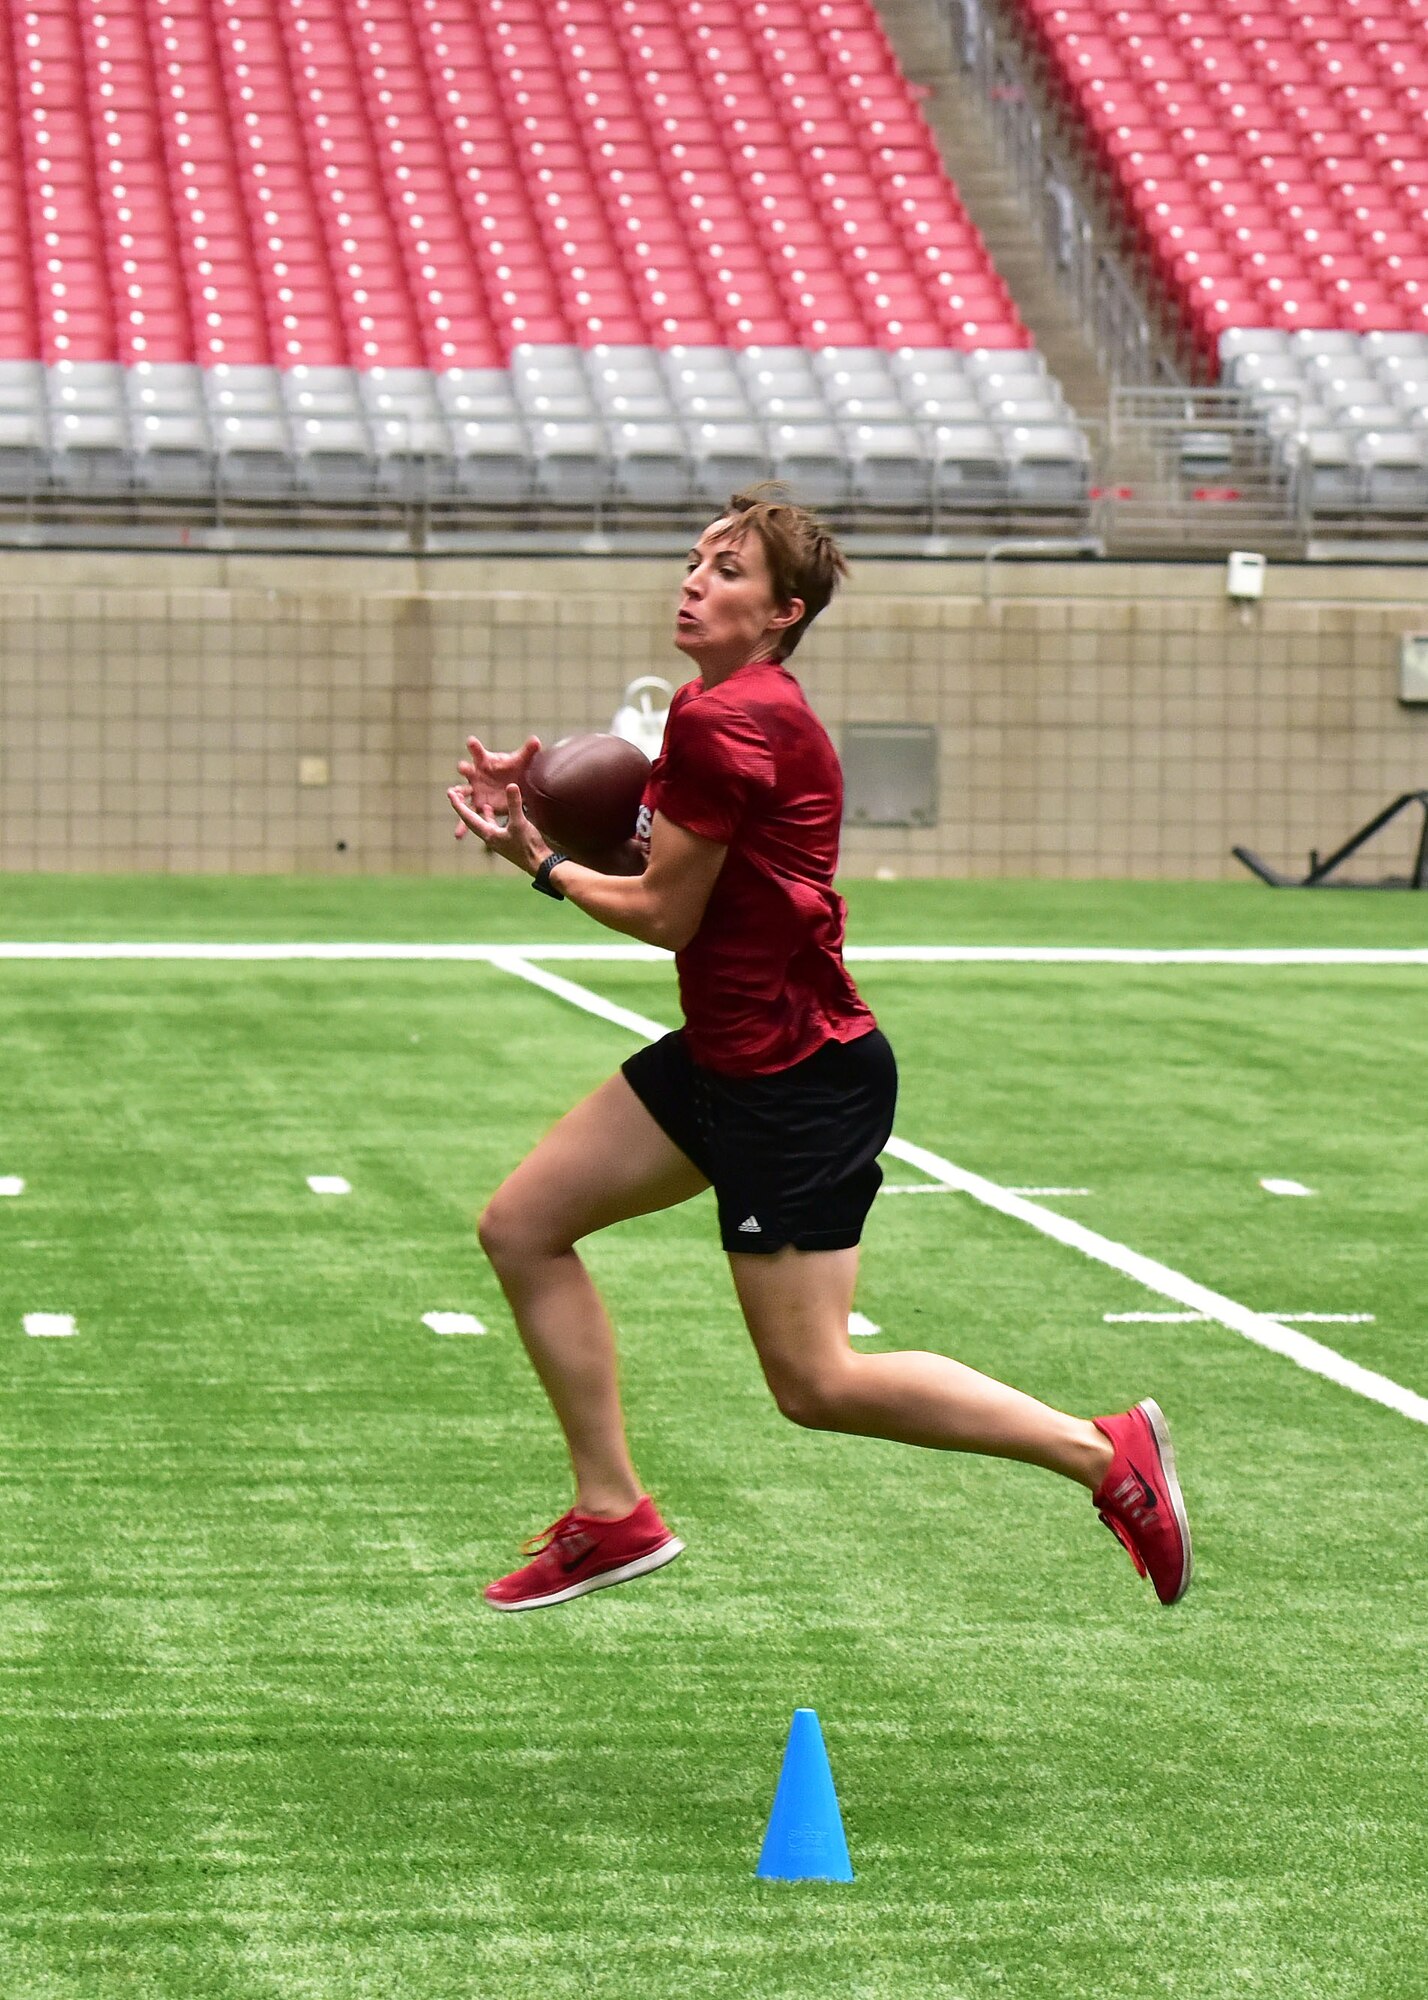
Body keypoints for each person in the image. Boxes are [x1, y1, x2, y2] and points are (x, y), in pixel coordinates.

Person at [447, 493, 1192, 1614]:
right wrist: (553, 812)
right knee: (523, 1224)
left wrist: (538, 862)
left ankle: (1103, 1452)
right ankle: (612, 1515)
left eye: (729, 570)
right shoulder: (731, 706)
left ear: (784, 612)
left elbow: (664, 913)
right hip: (733, 1056)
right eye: (696, 558)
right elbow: (673, 856)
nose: (695, 579)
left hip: (791, 1080)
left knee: (816, 1380)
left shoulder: (724, 720)